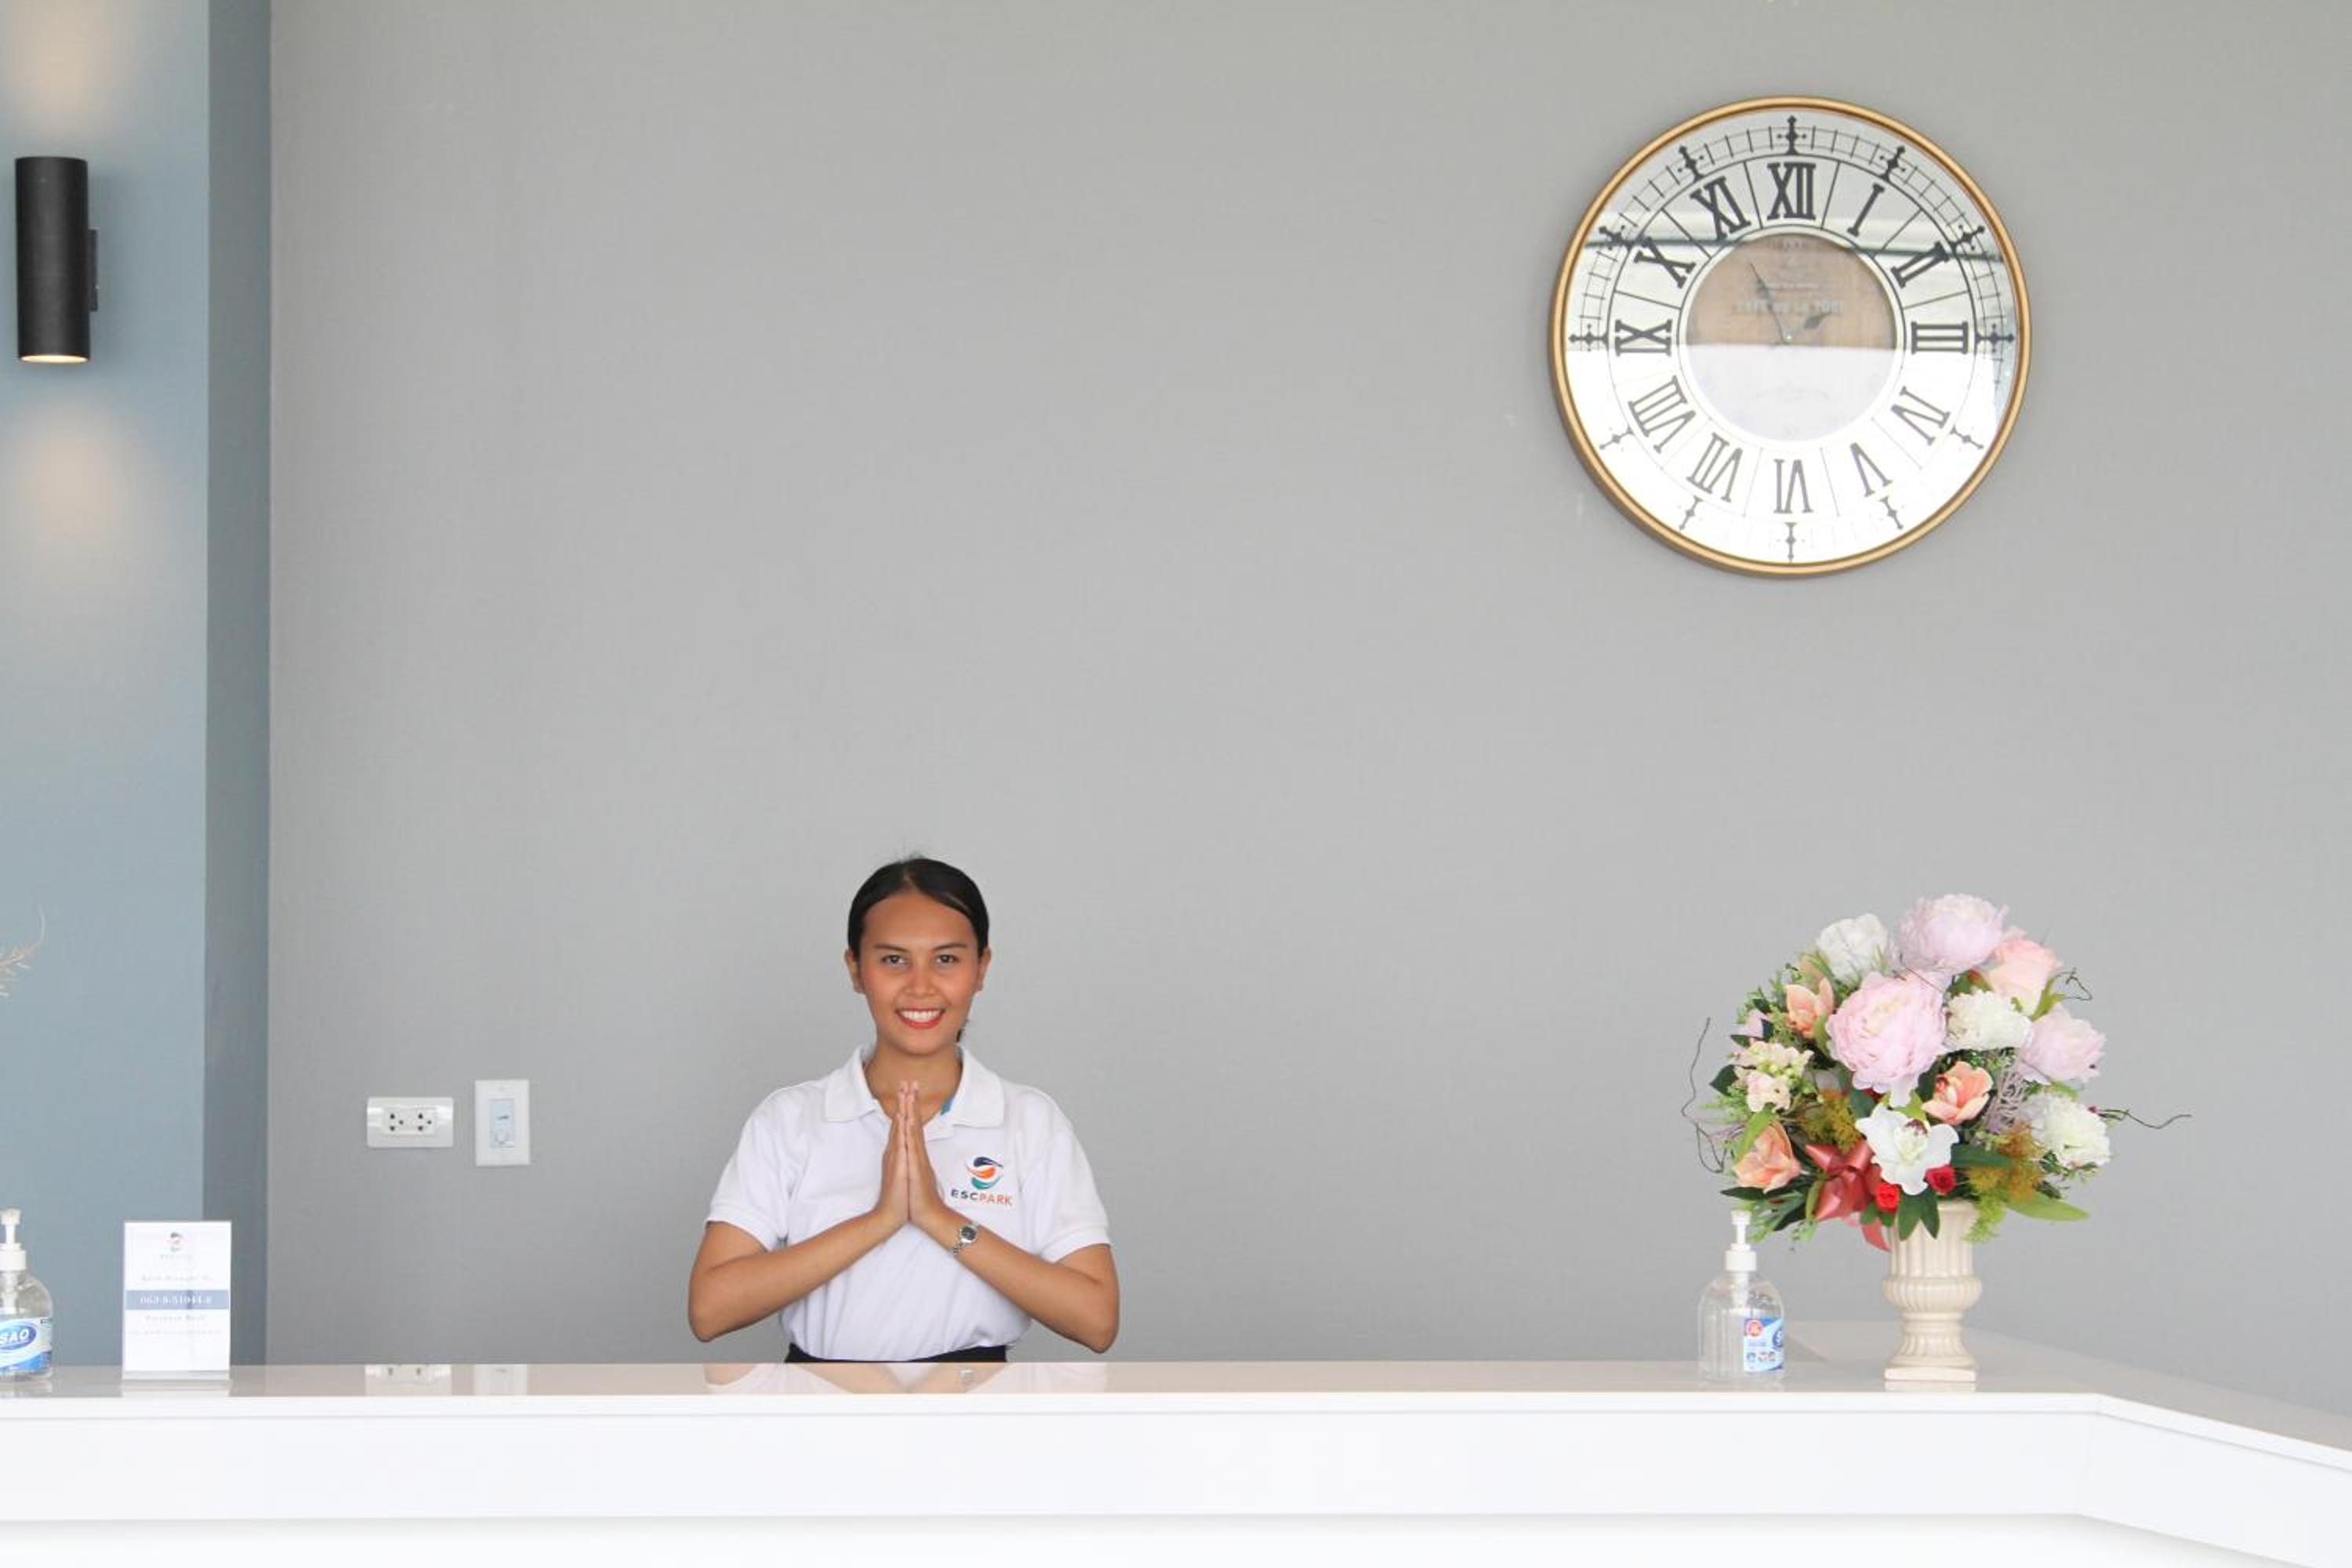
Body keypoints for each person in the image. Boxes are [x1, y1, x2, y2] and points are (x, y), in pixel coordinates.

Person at [687, 857, 1119, 1362]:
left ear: (981, 968)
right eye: (894, 960)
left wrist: (938, 1218)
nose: (920, 986)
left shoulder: (1029, 1121)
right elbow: (710, 1309)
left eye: (946, 959)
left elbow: (1096, 1319)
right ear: (855, 968)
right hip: (816, 1402)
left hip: (979, 1402)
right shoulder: (790, 1119)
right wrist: (881, 1220)